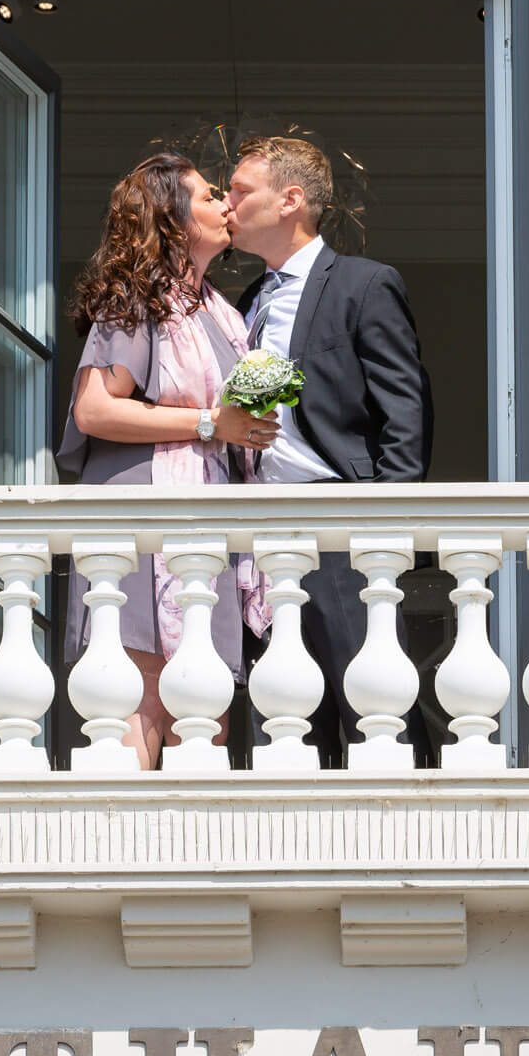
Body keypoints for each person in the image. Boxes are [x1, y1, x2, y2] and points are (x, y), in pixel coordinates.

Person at [57, 152, 275, 769]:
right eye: (210, 196)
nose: (226, 206)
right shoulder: (138, 299)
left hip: (205, 526)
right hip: (144, 531)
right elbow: (93, 411)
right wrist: (212, 423)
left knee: (203, 709)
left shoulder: (222, 314)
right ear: (173, 221)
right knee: (145, 701)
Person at [225, 135, 433, 765]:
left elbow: (406, 411)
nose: (227, 204)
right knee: (285, 717)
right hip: (261, 534)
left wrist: (382, 527)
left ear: (290, 200)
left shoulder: (364, 285)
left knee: (374, 704)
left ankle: (413, 845)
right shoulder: (247, 303)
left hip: (340, 525)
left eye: (239, 190)